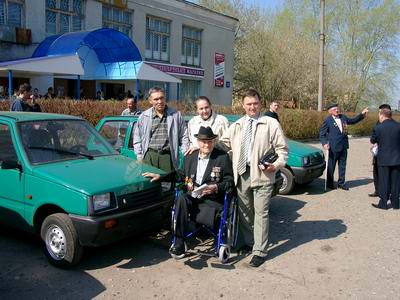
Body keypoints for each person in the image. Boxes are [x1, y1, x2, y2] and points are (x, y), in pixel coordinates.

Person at [219, 89, 288, 268]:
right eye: (248, 104)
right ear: (243, 105)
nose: (252, 107)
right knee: (245, 213)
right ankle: (250, 243)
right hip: (242, 174)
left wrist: (277, 165)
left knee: (261, 213)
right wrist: (200, 145)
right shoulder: (237, 125)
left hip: (263, 175)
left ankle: (259, 251)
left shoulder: (270, 123)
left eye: (255, 103)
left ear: (260, 103)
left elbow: (282, 150)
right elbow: (221, 144)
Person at [143, 126, 234, 259]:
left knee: (192, 202)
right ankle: (179, 242)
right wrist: (161, 177)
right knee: (181, 198)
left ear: (214, 142)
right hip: (193, 196)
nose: (206, 144)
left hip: (212, 199)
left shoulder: (222, 157)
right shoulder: (190, 156)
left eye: (209, 141)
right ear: (198, 142)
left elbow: (229, 181)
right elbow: (180, 174)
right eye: (203, 141)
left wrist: (216, 187)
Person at [133, 87, 189, 173]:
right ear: (150, 101)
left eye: (162, 98)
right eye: (156, 99)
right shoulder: (144, 116)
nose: (160, 101)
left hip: (168, 156)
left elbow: (184, 135)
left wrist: (185, 152)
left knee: (167, 184)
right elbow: (137, 137)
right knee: (149, 184)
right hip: (150, 155)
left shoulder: (175, 115)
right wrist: (139, 155)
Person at [319, 103, 368, 190]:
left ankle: (341, 183)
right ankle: (330, 183)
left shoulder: (343, 117)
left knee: (342, 165)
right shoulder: (327, 120)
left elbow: (353, 121)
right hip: (333, 147)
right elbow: (322, 134)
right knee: (331, 166)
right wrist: (324, 143)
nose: (337, 110)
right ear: (330, 111)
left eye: (337, 109)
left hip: (344, 146)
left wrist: (362, 114)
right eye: (334, 109)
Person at [370, 108, 400, 210]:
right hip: (397, 159)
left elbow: (372, 140)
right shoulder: (398, 126)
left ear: (382, 116)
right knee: (396, 182)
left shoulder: (378, 127)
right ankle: (396, 204)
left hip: (383, 159)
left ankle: (383, 204)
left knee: (383, 182)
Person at [369, 104, 392, 197]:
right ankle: (378, 190)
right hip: (377, 152)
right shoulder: (378, 123)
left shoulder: (392, 124)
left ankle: (388, 192)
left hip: (387, 152)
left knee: (388, 173)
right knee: (376, 172)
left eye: (380, 112)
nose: (379, 114)